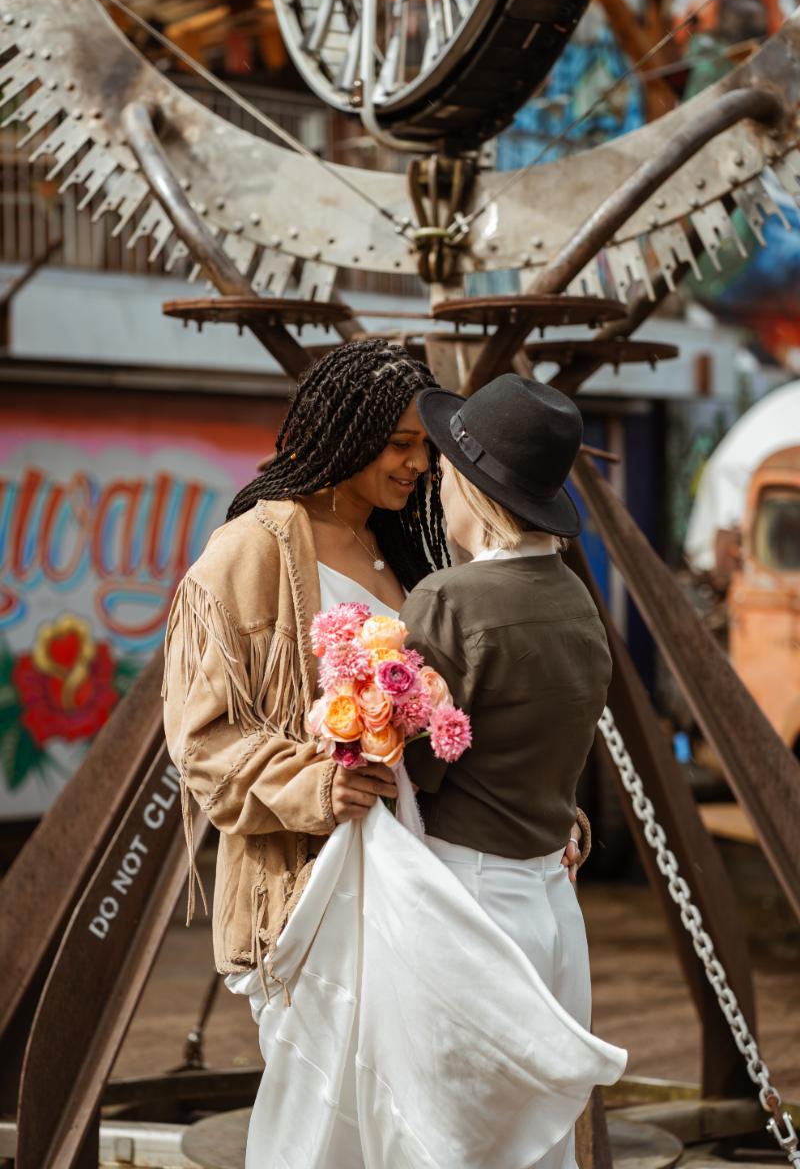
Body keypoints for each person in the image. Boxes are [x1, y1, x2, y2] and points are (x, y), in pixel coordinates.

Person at [162, 340, 606, 1167]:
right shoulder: (252, 551)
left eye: (424, 447)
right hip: (311, 888)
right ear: (344, 432)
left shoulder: (413, 547)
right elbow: (200, 740)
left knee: (408, 1129)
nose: (417, 463)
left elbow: (468, 714)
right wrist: (316, 784)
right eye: (399, 442)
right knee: (332, 1120)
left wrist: (544, 805)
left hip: (422, 896)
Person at [399, 373, 613, 1169]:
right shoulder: (575, 599)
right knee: (537, 1146)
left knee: (450, 1137)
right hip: (554, 908)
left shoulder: (448, 600)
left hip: (470, 900)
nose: (436, 488)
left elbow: (415, 770)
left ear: (475, 491)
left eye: (444, 476)